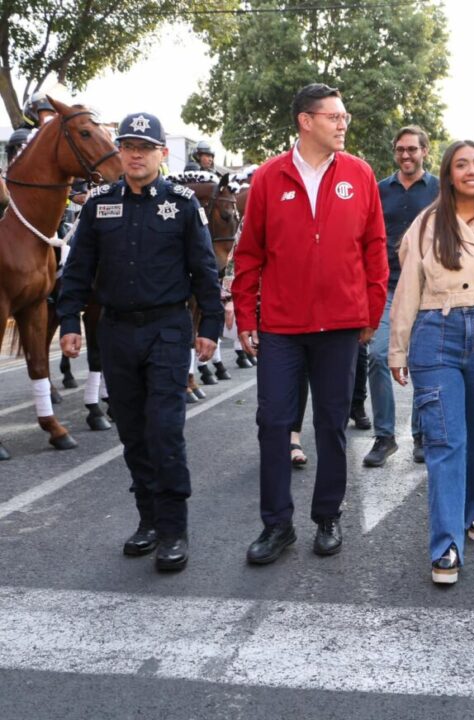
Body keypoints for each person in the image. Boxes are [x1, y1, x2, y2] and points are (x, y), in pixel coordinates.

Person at [57, 112, 223, 571]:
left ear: (161, 154)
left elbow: (204, 271)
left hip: (167, 330)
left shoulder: (183, 203)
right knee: (131, 431)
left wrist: (209, 327)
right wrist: (69, 318)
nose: (135, 154)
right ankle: (148, 520)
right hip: (116, 331)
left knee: (164, 430)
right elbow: (78, 271)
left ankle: (173, 529)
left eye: (144, 147)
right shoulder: (98, 205)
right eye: (128, 145)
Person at [233, 83, 388, 565]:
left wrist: (371, 310)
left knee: (331, 425)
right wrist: (244, 316)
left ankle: (327, 517)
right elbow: (249, 254)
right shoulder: (267, 178)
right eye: (334, 116)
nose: (343, 124)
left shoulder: (360, 175)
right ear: (306, 121)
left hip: (342, 325)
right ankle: (276, 525)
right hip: (281, 325)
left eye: (344, 117)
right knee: (274, 424)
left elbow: (374, 248)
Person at [388, 139, 474, 585]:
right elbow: (408, 286)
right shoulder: (428, 223)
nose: (471, 170)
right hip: (436, 331)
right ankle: (446, 544)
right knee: (446, 440)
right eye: (461, 164)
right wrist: (398, 347)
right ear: (447, 174)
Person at [363, 125, 440, 467]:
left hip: (428, 289)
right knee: (379, 356)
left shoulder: (441, 189)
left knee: (424, 361)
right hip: (387, 287)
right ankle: (384, 437)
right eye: (400, 150)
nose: (406, 155)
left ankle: (421, 435)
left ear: (425, 151)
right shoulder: (378, 190)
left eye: (412, 149)